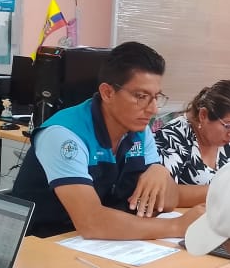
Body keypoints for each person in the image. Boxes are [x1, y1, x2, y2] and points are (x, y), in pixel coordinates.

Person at [12, 41, 202, 238]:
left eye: (156, 97)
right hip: (42, 243)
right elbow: (91, 222)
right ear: (108, 93)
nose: (153, 109)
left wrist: (159, 171)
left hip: (103, 242)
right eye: (141, 96)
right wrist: (177, 227)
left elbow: (167, 201)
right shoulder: (63, 135)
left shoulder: (139, 130)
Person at [154, 79, 230, 206]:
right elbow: (162, 192)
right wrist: (224, 191)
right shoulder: (173, 136)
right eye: (228, 125)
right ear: (203, 115)